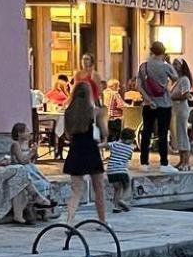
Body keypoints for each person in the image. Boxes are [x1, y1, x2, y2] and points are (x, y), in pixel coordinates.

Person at [61, 82, 106, 224]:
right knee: (98, 188)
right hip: (91, 150)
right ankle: (102, 221)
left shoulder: (68, 112)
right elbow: (104, 132)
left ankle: (69, 222)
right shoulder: (94, 111)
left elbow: (67, 135)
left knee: (76, 191)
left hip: (75, 149)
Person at [136, 40, 174, 169]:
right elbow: (175, 77)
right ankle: (163, 163)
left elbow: (138, 86)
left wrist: (148, 100)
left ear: (151, 51)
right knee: (163, 133)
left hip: (148, 105)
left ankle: (144, 163)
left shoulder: (144, 66)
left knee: (146, 132)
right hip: (164, 104)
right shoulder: (166, 67)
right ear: (163, 52)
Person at [7, 121, 58, 206]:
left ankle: (46, 200)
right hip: (21, 170)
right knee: (38, 183)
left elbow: (30, 160)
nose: (29, 132)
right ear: (19, 134)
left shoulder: (26, 144)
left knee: (44, 181)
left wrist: (34, 153)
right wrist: (31, 152)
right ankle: (40, 201)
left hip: (30, 167)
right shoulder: (16, 145)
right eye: (26, 131)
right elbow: (22, 161)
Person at [169, 58, 193, 171]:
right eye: (173, 64)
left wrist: (171, 97)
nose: (174, 66)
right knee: (178, 136)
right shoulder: (175, 80)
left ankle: (186, 162)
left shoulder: (184, 80)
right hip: (175, 110)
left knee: (183, 135)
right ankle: (181, 160)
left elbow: (186, 95)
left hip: (181, 110)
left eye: (176, 64)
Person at [106, 127, 135, 212]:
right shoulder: (131, 148)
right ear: (131, 139)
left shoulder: (114, 144)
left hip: (111, 171)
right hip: (121, 171)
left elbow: (106, 145)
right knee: (127, 185)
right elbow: (128, 158)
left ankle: (116, 207)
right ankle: (122, 200)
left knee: (117, 188)